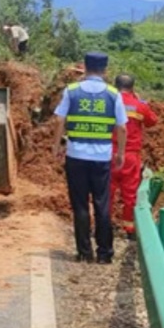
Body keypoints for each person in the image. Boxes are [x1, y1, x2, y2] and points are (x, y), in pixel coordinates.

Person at [54, 51, 127, 263]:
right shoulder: (114, 94)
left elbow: (59, 121)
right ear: (105, 70)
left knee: (80, 204)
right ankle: (105, 254)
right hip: (102, 157)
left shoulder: (72, 90)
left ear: (85, 67)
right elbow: (121, 127)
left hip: (75, 155)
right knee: (102, 203)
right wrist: (120, 152)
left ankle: (84, 252)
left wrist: (56, 145)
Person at [112, 74, 158, 239]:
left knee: (106, 192)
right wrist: (143, 103)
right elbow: (152, 121)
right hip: (130, 156)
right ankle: (129, 230)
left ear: (115, 86)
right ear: (133, 87)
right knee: (130, 194)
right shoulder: (139, 106)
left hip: (109, 153)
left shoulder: (109, 101)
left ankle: (103, 225)